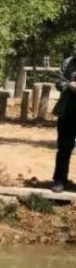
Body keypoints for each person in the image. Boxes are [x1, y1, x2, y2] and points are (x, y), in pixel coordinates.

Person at [52, 50, 76, 193]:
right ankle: (60, 180)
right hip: (67, 113)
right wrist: (70, 85)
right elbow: (59, 83)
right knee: (64, 148)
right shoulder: (68, 62)